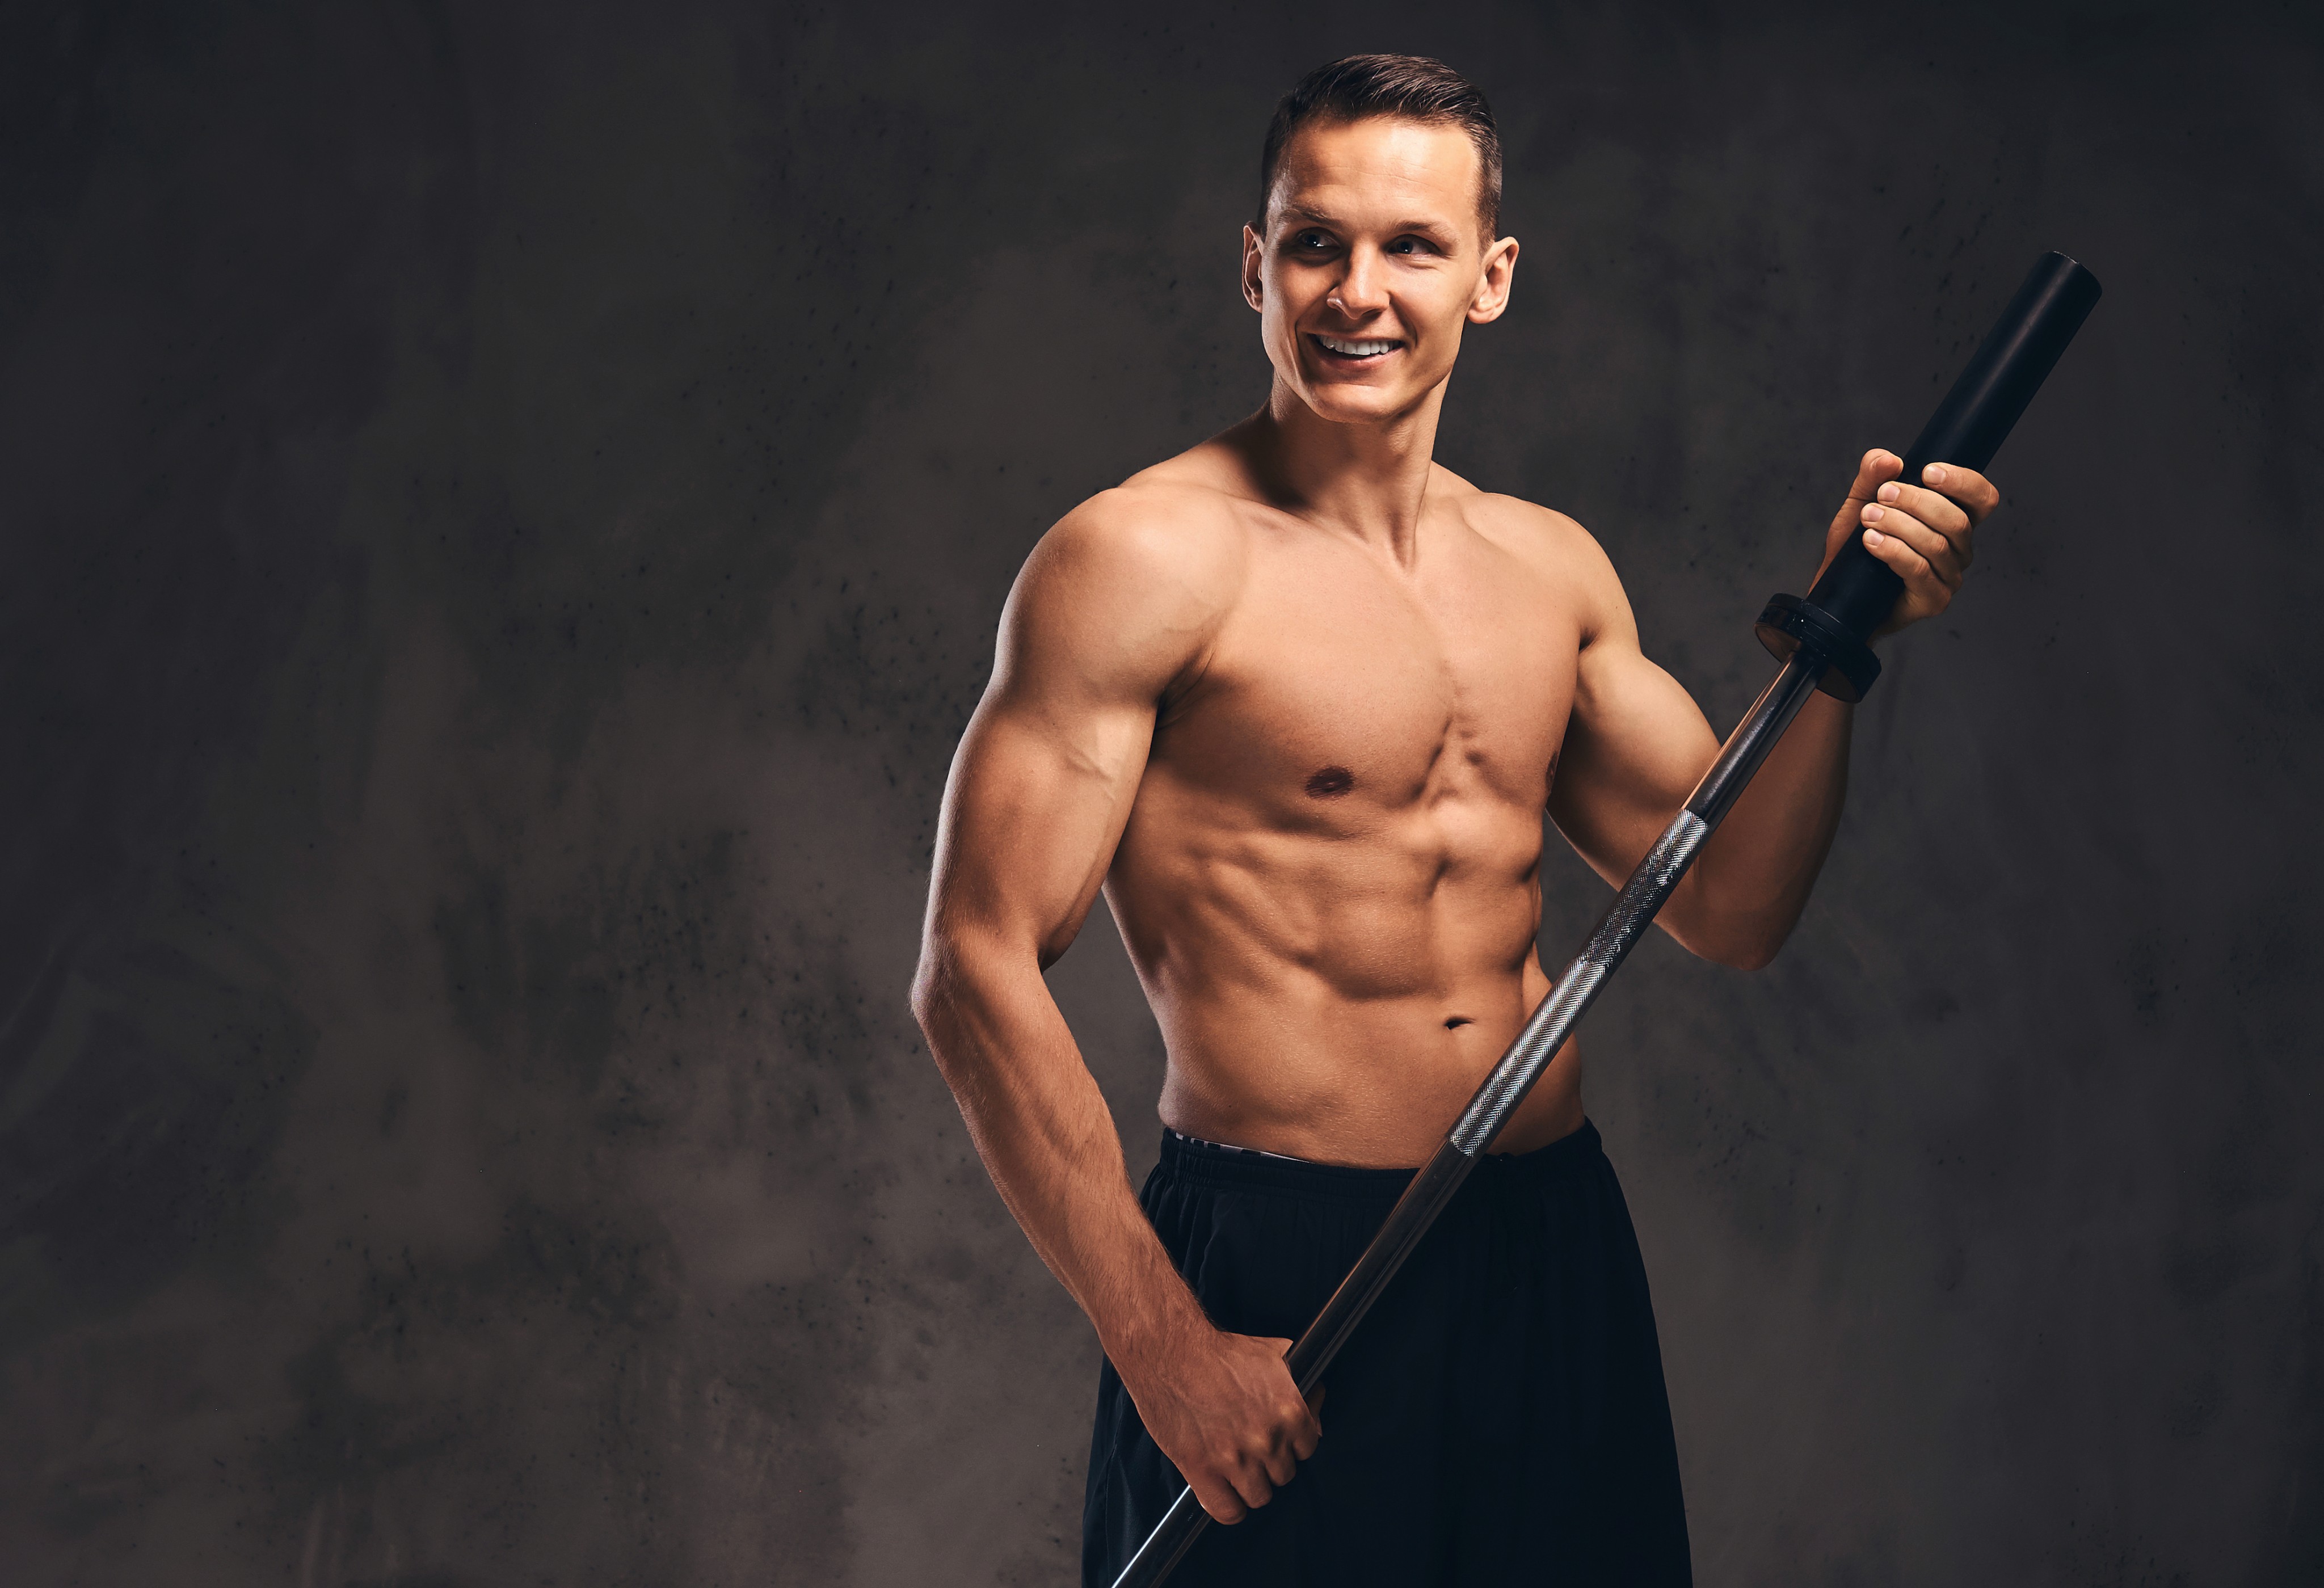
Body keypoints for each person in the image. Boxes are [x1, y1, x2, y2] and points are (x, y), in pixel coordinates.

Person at [910, 53, 1995, 1587]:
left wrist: (1848, 645)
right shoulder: (1141, 562)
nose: (1359, 291)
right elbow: (974, 964)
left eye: (1412, 247)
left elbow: (1737, 905)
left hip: (1546, 1244)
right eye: (1316, 242)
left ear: (1489, 279)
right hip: (1279, 1267)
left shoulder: (1549, 574)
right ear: (1254, 266)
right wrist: (1164, 1349)